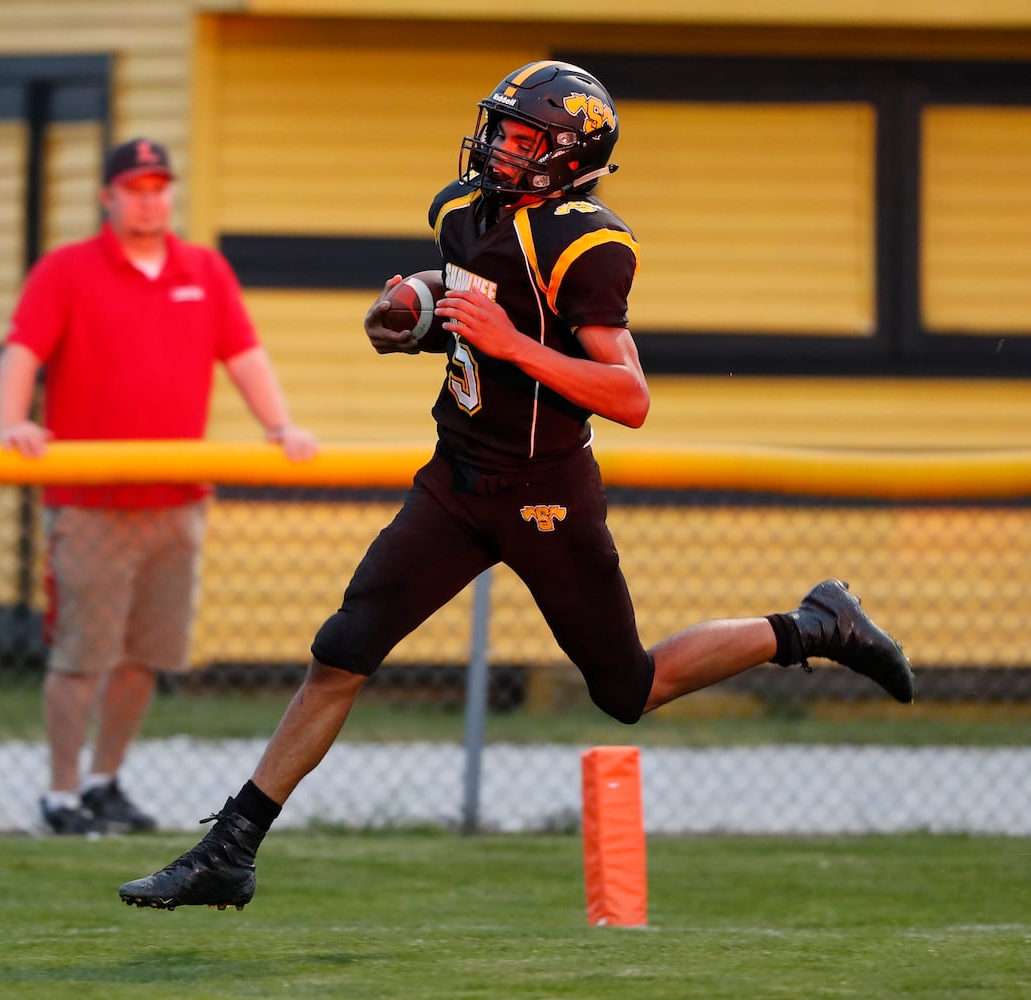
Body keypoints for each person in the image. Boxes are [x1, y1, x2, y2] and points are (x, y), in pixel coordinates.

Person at [118, 62, 913, 908]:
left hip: (543, 492)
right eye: (500, 129)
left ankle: (811, 624)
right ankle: (228, 852)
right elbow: (467, 303)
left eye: (526, 138)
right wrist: (411, 315)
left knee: (628, 690)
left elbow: (628, 396)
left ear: (572, 155)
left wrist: (505, 343)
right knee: (341, 652)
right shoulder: (462, 208)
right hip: (456, 479)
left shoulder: (588, 240)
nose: (501, 147)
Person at [0, 137, 319, 836]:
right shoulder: (67, 270)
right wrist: (14, 420)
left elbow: (245, 355)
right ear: (109, 197)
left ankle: (105, 781)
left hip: (177, 501)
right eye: (135, 187)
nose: (149, 199)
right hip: (92, 504)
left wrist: (282, 426)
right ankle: (60, 794)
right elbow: (22, 350)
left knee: (147, 658)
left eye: (159, 187)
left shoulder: (203, 269)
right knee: (82, 657)